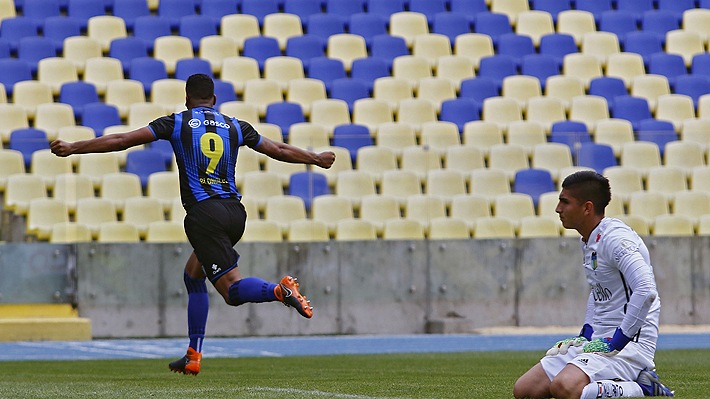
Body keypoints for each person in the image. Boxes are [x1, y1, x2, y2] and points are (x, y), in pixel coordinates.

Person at [50, 74, 336, 376]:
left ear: (187, 99)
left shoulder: (176, 122)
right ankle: (193, 355)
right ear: (214, 100)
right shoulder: (236, 125)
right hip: (235, 214)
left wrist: (74, 147)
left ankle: (279, 290)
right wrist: (315, 158)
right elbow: (277, 150)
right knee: (193, 276)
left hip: (204, 215)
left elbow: (121, 140)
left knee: (232, 292)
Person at [513, 171, 674, 398]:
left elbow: (646, 291)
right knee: (525, 390)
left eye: (564, 202)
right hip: (600, 342)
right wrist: (586, 334)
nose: (558, 209)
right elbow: (599, 288)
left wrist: (617, 341)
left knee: (564, 387)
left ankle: (643, 387)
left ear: (587, 208)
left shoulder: (617, 240)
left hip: (628, 345)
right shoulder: (589, 239)